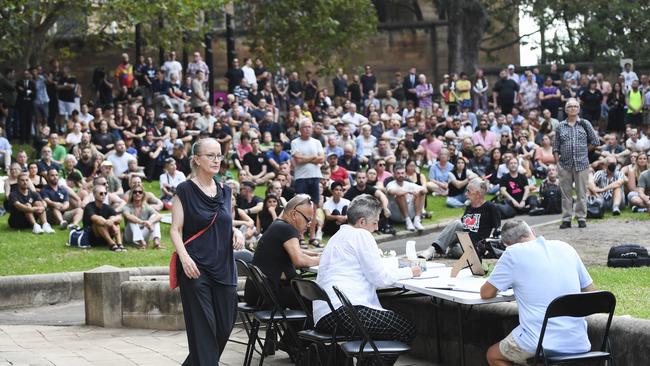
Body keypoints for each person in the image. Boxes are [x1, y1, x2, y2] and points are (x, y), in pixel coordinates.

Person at [314, 194, 421, 366]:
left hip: (324, 314)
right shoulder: (361, 235)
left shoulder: (336, 237)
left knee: (381, 331)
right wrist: (410, 271)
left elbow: (370, 269)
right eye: (375, 222)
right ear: (362, 222)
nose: (377, 227)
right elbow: (380, 278)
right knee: (405, 329)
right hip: (344, 312)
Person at [169, 138, 244, 365]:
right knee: (203, 332)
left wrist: (236, 232)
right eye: (210, 155)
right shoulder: (184, 190)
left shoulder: (226, 190)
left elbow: (224, 222)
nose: (216, 160)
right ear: (196, 159)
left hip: (224, 268)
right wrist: (184, 258)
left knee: (223, 327)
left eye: (219, 155)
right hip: (196, 269)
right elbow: (175, 229)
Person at [480, 220, 595, 366]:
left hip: (538, 341)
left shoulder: (513, 253)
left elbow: (486, 293)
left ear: (506, 245)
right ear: (532, 232)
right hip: (578, 340)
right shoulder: (566, 247)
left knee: (493, 355)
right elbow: (591, 291)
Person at [244, 194, 320, 310]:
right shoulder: (287, 229)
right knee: (318, 301)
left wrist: (315, 255)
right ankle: (305, 328)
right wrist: (325, 259)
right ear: (294, 215)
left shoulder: (277, 225)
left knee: (303, 292)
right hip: (267, 294)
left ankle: (295, 328)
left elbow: (296, 252)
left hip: (255, 292)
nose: (309, 225)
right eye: (308, 219)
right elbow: (299, 260)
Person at [420, 179, 501, 259]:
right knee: (457, 230)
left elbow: (497, 231)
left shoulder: (491, 207)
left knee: (457, 227)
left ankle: (437, 250)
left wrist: (488, 248)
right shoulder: (469, 206)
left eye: (469, 191)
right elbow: (461, 227)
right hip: (461, 243)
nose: (466, 194)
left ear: (478, 194)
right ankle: (434, 249)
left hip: (475, 247)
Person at [553, 98, 601, 229]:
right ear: (566, 109)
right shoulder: (560, 126)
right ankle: (566, 219)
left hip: (582, 164)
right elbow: (555, 147)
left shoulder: (585, 124)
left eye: (575, 106)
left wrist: (585, 150)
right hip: (564, 165)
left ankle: (581, 218)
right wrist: (557, 163)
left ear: (579, 109)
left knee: (581, 192)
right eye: (570, 106)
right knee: (566, 194)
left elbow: (596, 141)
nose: (573, 108)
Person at [291, 119, 324, 247]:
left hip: (315, 176)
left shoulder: (317, 142)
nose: (308, 129)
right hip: (301, 178)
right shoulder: (295, 142)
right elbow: (298, 159)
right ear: (300, 129)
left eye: (310, 127)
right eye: (305, 127)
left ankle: (312, 237)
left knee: (314, 208)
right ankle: (300, 237)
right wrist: (313, 158)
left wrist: (306, 158)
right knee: (301, 208)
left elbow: (321, 159)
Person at [83, 184, 124, 251]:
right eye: (101, 193)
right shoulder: (89, 207)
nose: (104, 195)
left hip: (106, 234)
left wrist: (112, 220)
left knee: (114, 219)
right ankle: (112, 244)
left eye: (105, 193)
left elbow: (119, 217)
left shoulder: (106, 207)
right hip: (92, 238)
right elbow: (97, 219)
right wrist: (112, 225)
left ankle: (120, 244)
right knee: (98, 223)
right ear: (94, 195)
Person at [386, 163, 427, 231]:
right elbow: (392, 192)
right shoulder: (390, 184)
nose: (401, 175)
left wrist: (420, 191)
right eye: (398, 173)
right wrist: (409, 191)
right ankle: (408, 221)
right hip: (396, 215)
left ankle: (417, 220)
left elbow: (424, 190)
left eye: (402, 173)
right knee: (400, 195)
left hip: (410, 213)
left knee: (421, 193)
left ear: (405, 174)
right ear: (394, 174)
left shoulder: (409, 184)